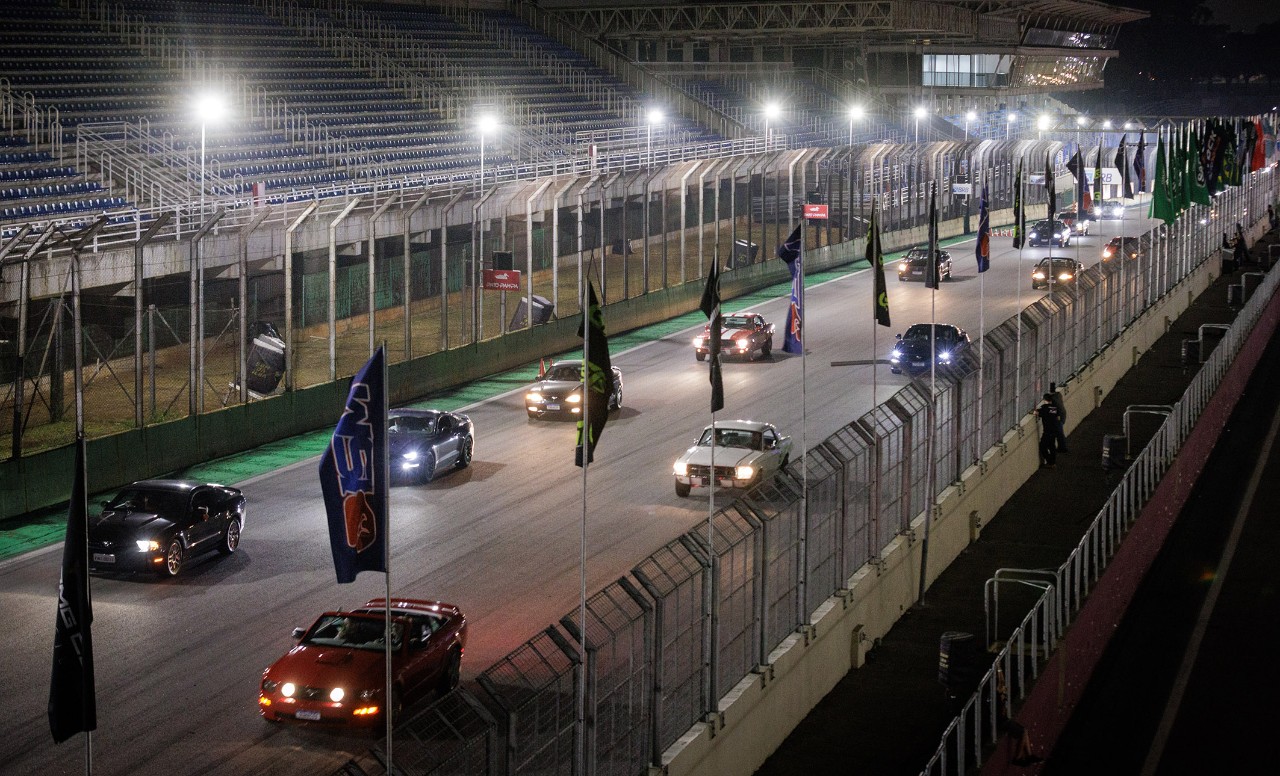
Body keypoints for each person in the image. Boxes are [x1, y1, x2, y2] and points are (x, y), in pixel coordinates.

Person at [1036, 393, 1061, 468]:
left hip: (1047, 431)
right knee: (1052, 446)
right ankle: (1053, 463)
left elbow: (1036, 413)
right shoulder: (1054, 408)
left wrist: (1036, 411)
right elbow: (1058, 416)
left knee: (1043, 446)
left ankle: (1050, 461)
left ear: (1044, 400)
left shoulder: (1044, 408)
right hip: (1054, 430)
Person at [1048, 382, 1068, 453]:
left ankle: (1063, 448)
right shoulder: (1058, 395)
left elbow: (1053, 409)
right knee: (1059, 433)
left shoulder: (1052, 399)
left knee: (1059, 433)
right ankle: (1061, 447)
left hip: (1058, 417)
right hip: (1063, 415)